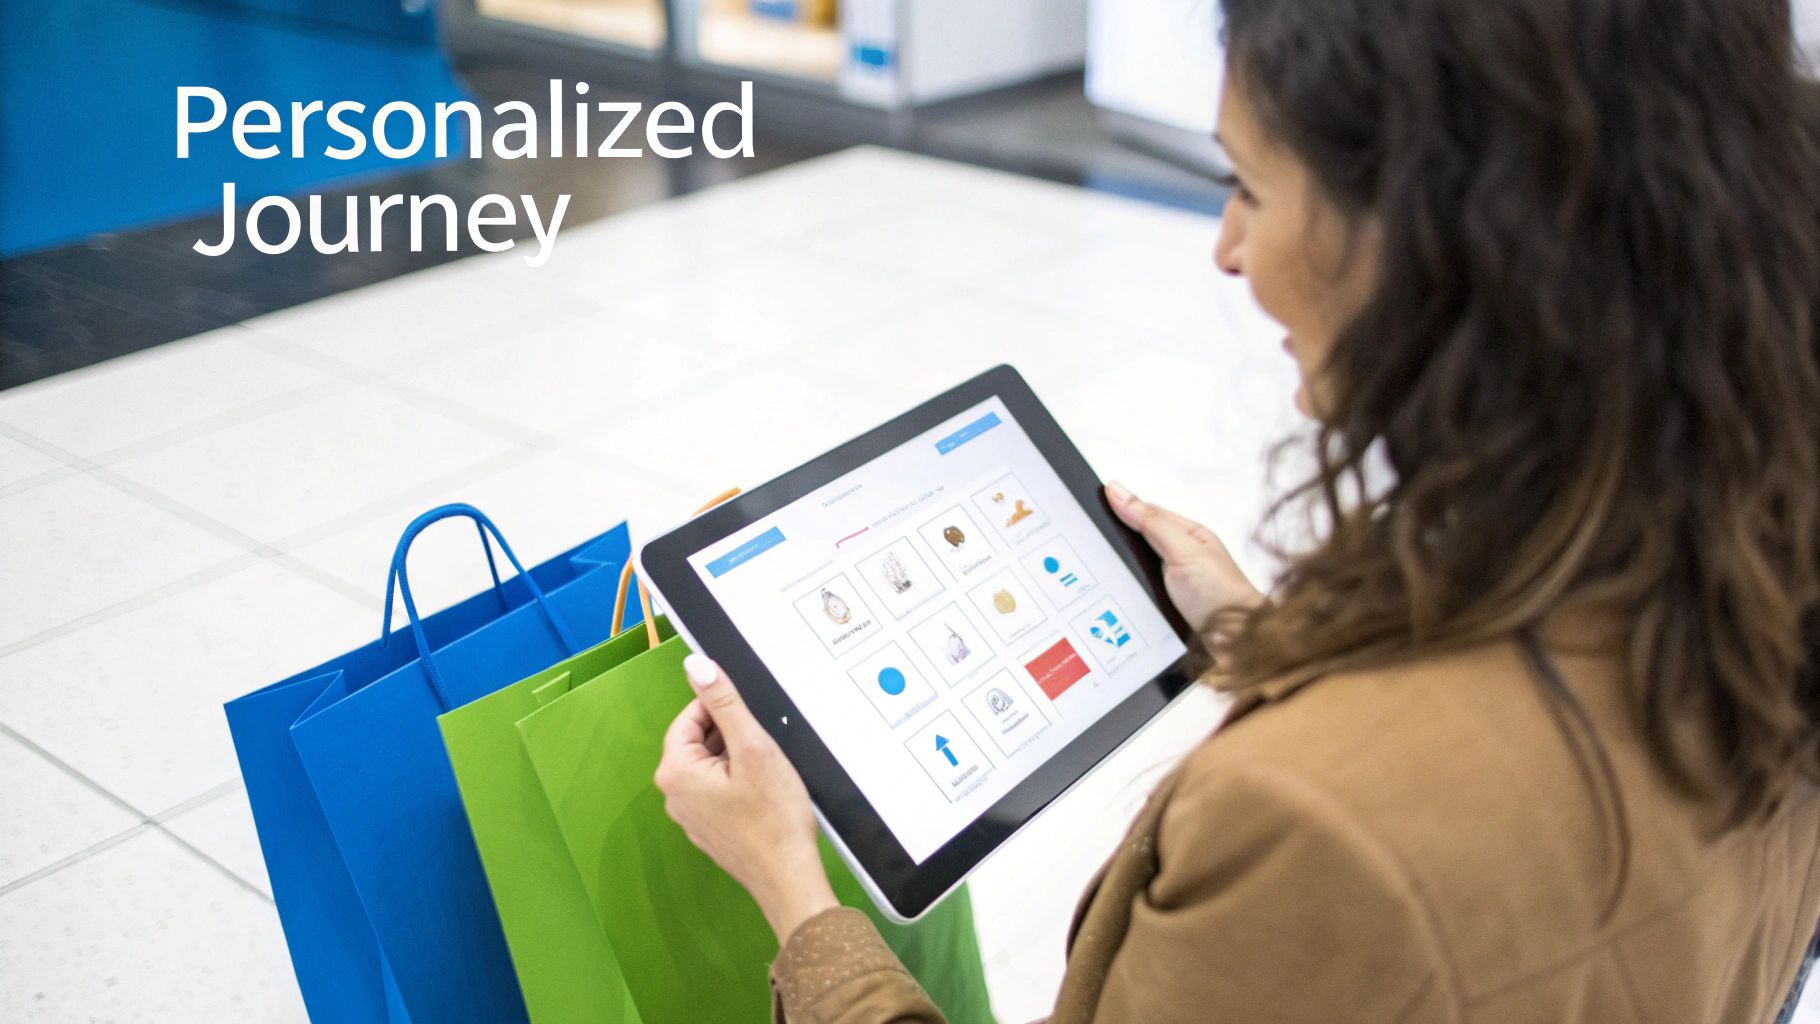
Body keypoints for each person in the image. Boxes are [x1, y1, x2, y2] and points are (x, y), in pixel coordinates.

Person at [653, 0, 1820, 1020]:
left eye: (1248, 186)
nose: (1225, 250)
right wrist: (1263, 644)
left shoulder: (1309, 829)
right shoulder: (1758, 542)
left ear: (1439, 237)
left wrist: (796, 900)